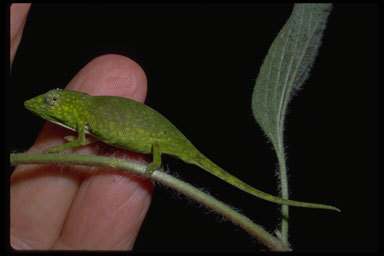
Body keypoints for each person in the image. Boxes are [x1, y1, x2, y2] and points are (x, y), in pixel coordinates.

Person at [10, 3, 153, 250]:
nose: (50, 103)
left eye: (53, 100)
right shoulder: (75, 112)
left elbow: (80, 139)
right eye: (52, 100)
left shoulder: (79, 112)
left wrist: (58, 149)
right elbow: (82, 138)